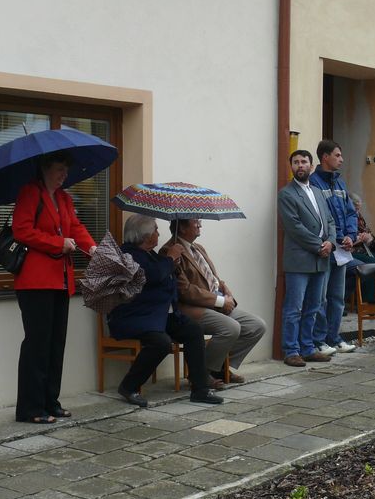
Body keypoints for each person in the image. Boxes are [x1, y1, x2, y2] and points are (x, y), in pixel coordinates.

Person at [12, 151, 97, 424]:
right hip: (35, 281)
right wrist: (58, 243)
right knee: (37, 344)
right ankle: (30, 408)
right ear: (45, 169)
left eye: (66, 170)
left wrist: (91, 247)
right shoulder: (30, 193)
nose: (64, 175)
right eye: (60, 169)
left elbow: (76, 227)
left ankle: (51, 401)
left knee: (55, 344)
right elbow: (21, 230)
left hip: (61, 280)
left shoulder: (64, 198)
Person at [106, 215, 223, 408]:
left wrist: (172, 265)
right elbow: (152, 275)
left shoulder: (149, 254)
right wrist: (170, 259)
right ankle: (128, 386)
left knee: (194, 330)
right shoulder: (128, 255)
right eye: (155, 230)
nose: (159, 234)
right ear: (145, 235)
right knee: (161, 343)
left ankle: (200, 389)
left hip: (159, 316)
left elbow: (163, 275)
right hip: (135, 317)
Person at [161, 219, 266, 387]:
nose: (200, 225)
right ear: (182, 227)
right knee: (231, 328)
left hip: (215, 303)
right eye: (196, 222)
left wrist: (225, 289)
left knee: (256, 326)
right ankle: (201, 374)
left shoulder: (198, 248)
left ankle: (219, 367)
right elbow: (185, 290)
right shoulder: (170, 251)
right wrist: (220, 301)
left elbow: (211, 277)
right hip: (191, 308)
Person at [278, 149, 336, 367]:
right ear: (291, 166)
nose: (300, 165)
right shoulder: (287, 194)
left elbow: (329, 221)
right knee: (294, 308)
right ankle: (291, 350)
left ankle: (308, 348)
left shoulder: (318, 192)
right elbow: (293, 227)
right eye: (296, 162)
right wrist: (319, 246)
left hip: (321, 258)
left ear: (311, 166)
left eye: (304, 162)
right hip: (300, 259)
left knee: (314, 306)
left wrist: (331, 242)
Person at [310, 140, 358, 355]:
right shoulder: (314, 183)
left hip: (342, 249)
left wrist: (350, 235)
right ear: (325, 157)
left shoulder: (340, 183)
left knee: (337, 298)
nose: (342, 159)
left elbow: (350, 212)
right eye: (337, 155)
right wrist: (338, 237)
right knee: (320, 298)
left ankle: (334, 337)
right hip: (325, 248)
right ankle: (319, 340)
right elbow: (320, 216)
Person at [344, 192, 375, 304]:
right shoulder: (343, 217)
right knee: (371, 263)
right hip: (350, 252)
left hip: (365, 251)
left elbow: (372, 237)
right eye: (356, 208)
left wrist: (369, 238)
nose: (357, 212)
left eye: (359, 209)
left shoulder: (359, 217)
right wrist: (356, 239)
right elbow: (340, 239)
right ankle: (369, 301)